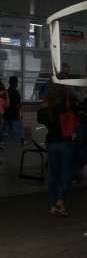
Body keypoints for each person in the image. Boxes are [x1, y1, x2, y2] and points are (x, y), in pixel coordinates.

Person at [37, 83, 77, 216]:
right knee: (66, 174)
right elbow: (80, 113)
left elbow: (39, 119)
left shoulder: (46, 102)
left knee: (53, 175)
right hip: (66, 141)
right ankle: (61, 201)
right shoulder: (68, 100)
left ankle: (53, 204)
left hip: (51, 143)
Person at [0, 76, 28, 148]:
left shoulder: (6, 91)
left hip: (6, 115)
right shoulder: (16, 92)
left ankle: (1, 142)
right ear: (16, 83)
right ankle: (23, 142)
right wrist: (18, 114)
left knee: (5, 129)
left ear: (9, 83)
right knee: (19, 128)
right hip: (14, 115)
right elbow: (17, 105)